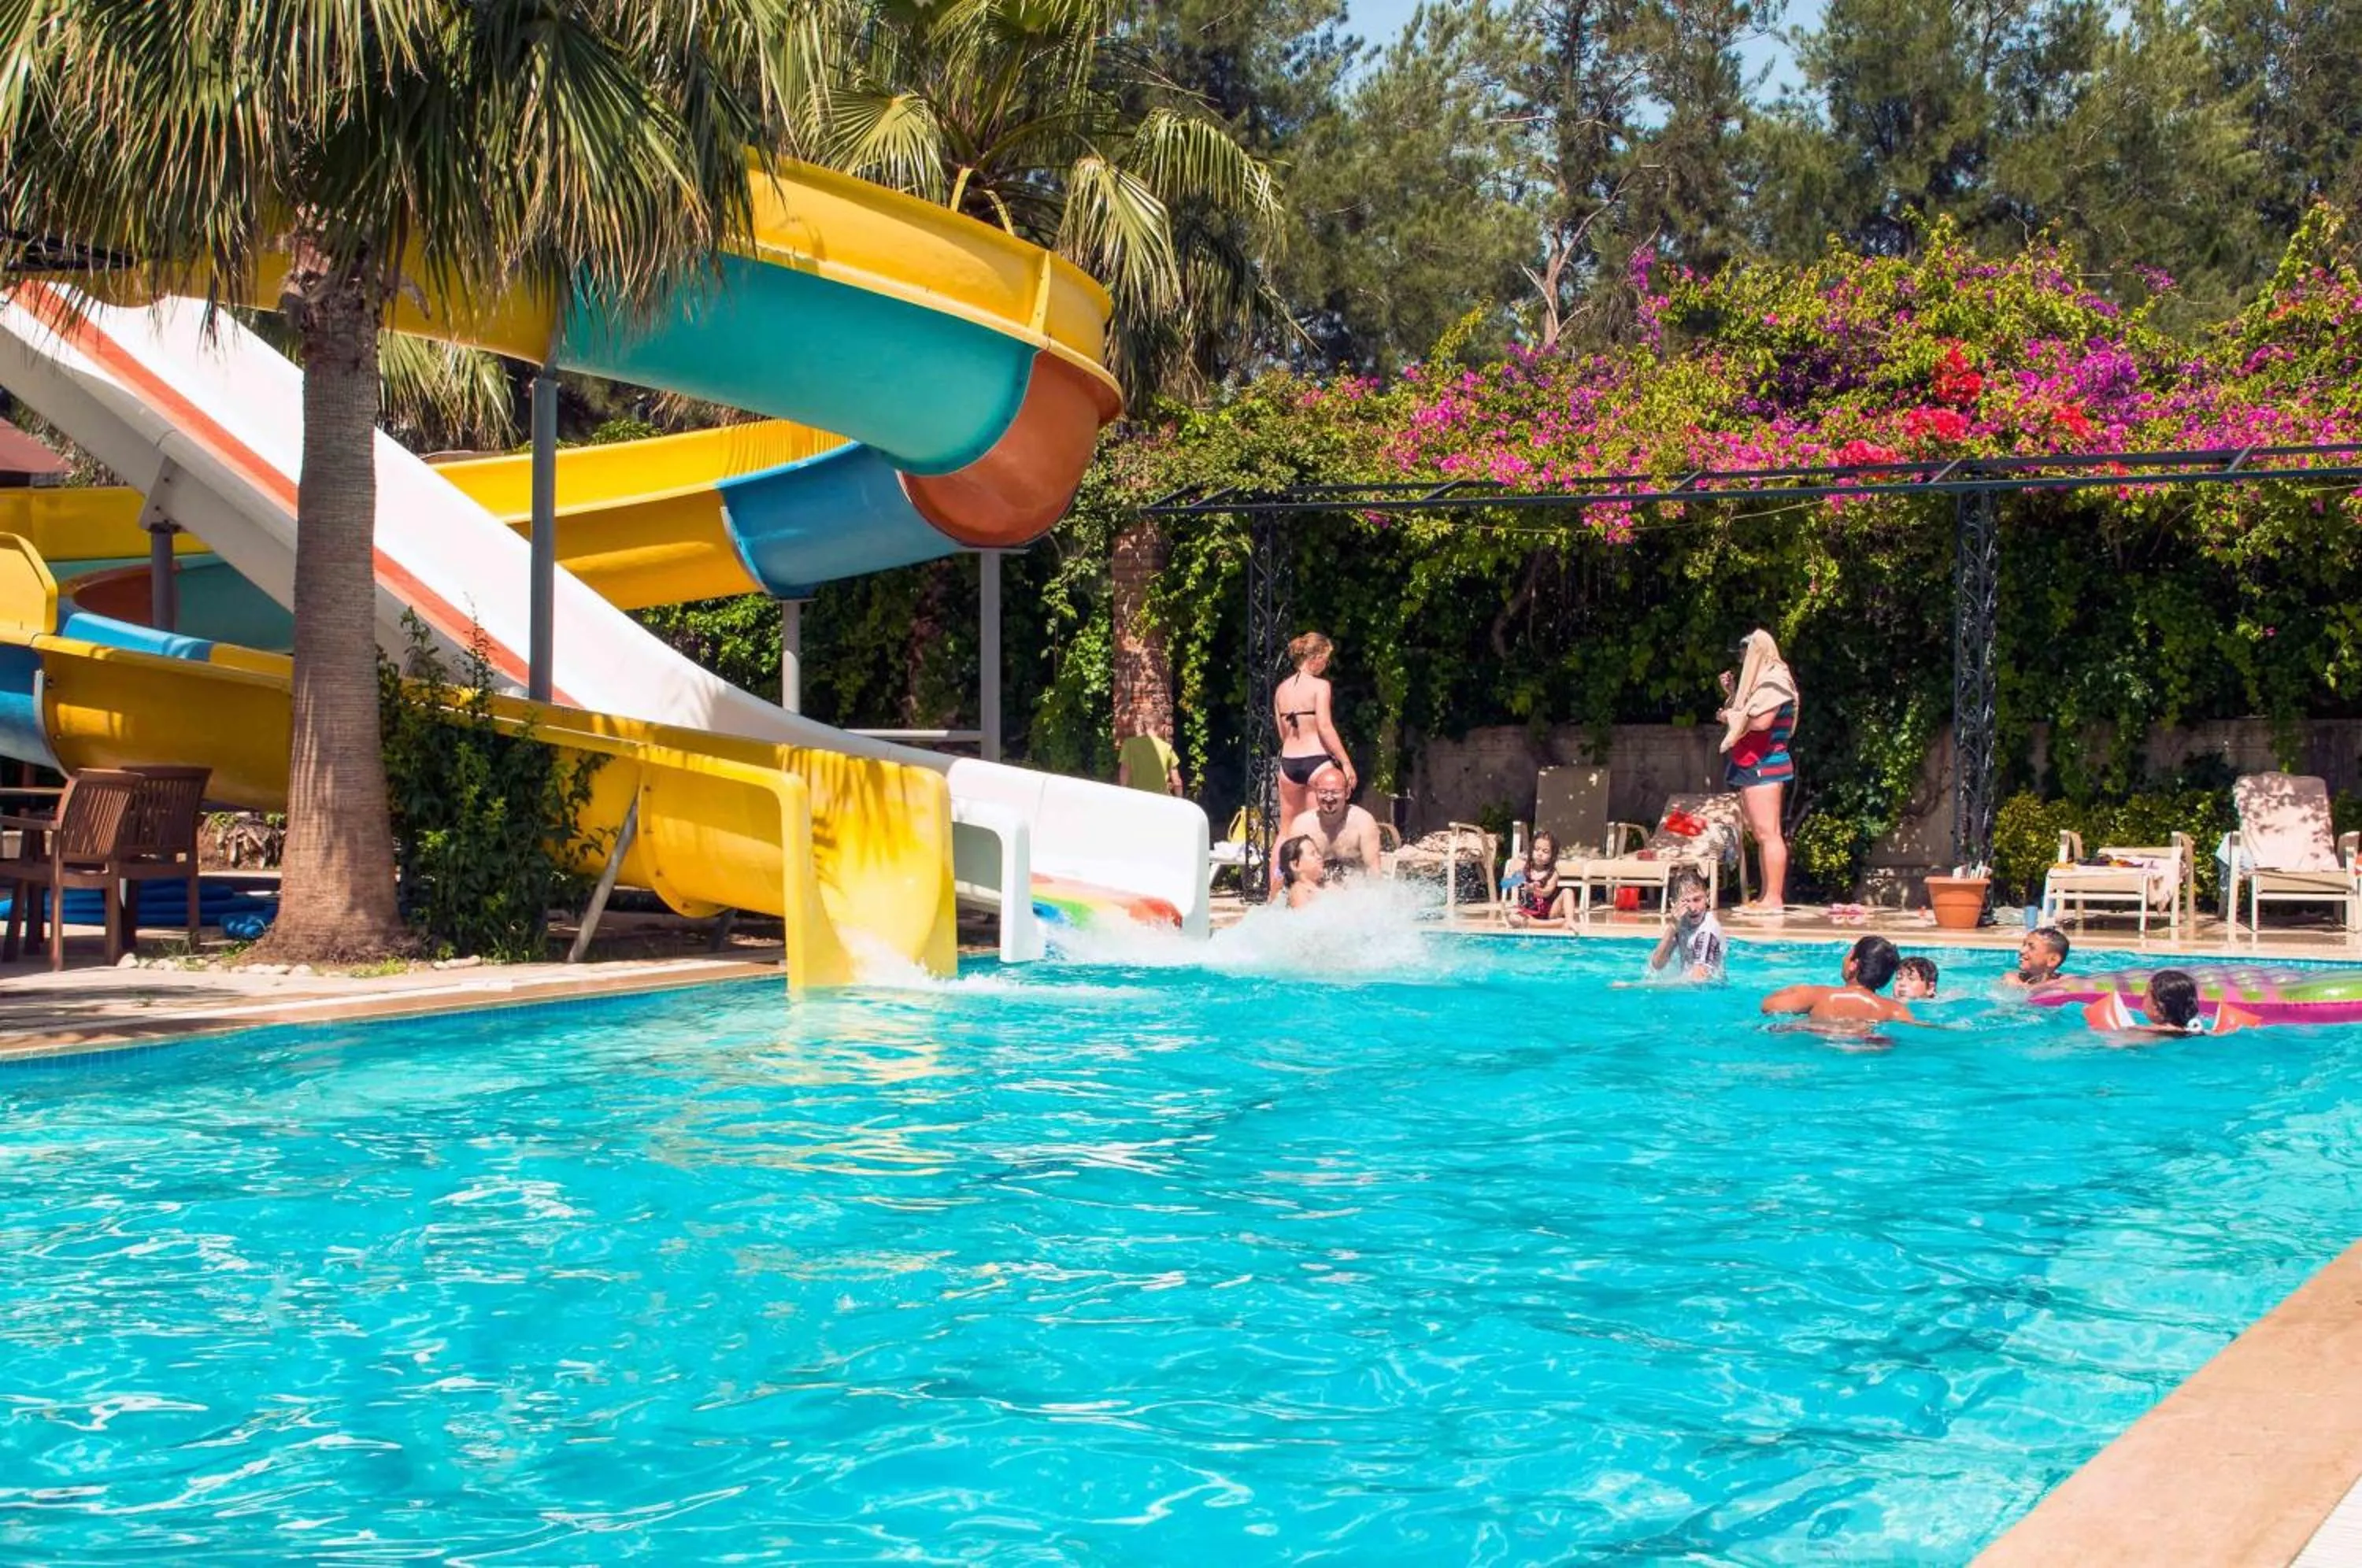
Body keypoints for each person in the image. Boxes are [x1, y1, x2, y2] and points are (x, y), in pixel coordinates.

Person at [1717, 628, 1798, 915]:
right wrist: (1732, 696)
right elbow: (1749, 714)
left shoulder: (1775, 682)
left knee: (1769, 833)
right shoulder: (1763, 683)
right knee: (1762, 833)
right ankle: (1766, 896)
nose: (1742, 660)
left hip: (1766, 764)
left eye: (1744, 654)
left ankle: (1773, 898)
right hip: (1758, 764)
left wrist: (1731, 716)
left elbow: (1762, 722)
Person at [1273, 632, 1353, 836]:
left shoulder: (1281, 690)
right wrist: (1345, 762)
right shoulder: (1321, 686)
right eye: (1325, 660)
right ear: (1316, 658)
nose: (1326, 665)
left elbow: (1283, 733)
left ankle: (1277, 860)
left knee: (1286, 831)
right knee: (1315, 829)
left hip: (1289, 763)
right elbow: (1325, 727)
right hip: (1316, 761)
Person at [1760, 934, 1915, 1025]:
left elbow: (1768, 1006)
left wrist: (1796, 989)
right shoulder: (1895, 1010)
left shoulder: (1818, 995)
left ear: (1854, 965)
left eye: (1848, 954)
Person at [2085, 968, 2260, 1036]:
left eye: (2146, 995)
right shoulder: (2201, 1032)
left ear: (2157, 1007)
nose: (2142, 999)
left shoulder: (2139, 1032)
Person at [1286, 762, 1384, 880]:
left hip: (1354, 888)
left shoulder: (1363, 822)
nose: (1329, 798)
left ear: (1347, 793)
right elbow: (1289, 870)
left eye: (1335, 792)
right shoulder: (1301, 826)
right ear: (1316, 793)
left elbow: (1374, 871)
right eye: (1323, 792)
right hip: (1316, 889)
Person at [1649, 866, 1727, 979]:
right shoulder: (1681, 922)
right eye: (1685, 902)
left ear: (1707, 898)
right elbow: (1657, 964)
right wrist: (1672, 926)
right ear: (1673, 903)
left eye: (1697, 900)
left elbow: (1699, 981)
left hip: (1710, 989)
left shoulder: (1707, 933)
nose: (1693, 908)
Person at [1506, 831, 1571, 926]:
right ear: (1531, 850)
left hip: (1550, 913)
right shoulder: (1524, 869)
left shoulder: (1553, 873)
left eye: (1545, 851)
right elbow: (1507, 881)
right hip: (1528, 912)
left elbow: (1547, 892)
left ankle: (1569, 921)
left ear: (1552, 856)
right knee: (1512, 917)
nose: (1540, 854)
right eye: (1536, 849)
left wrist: (1534, 890)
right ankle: (1549, 924)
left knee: (1567, 891)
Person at [2004, 926, 2071, 989]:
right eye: (2024, 945)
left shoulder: (2066, 982)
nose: (2022, 950)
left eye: (2032, 947)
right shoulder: (2013, 980)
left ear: (2053, 960)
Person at [1279, 834, 1329, 909]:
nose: (1319, 857)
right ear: (1295, 865)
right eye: (1312, 854)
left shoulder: (1326, 885)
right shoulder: (1298, 891)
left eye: (1318, 852)